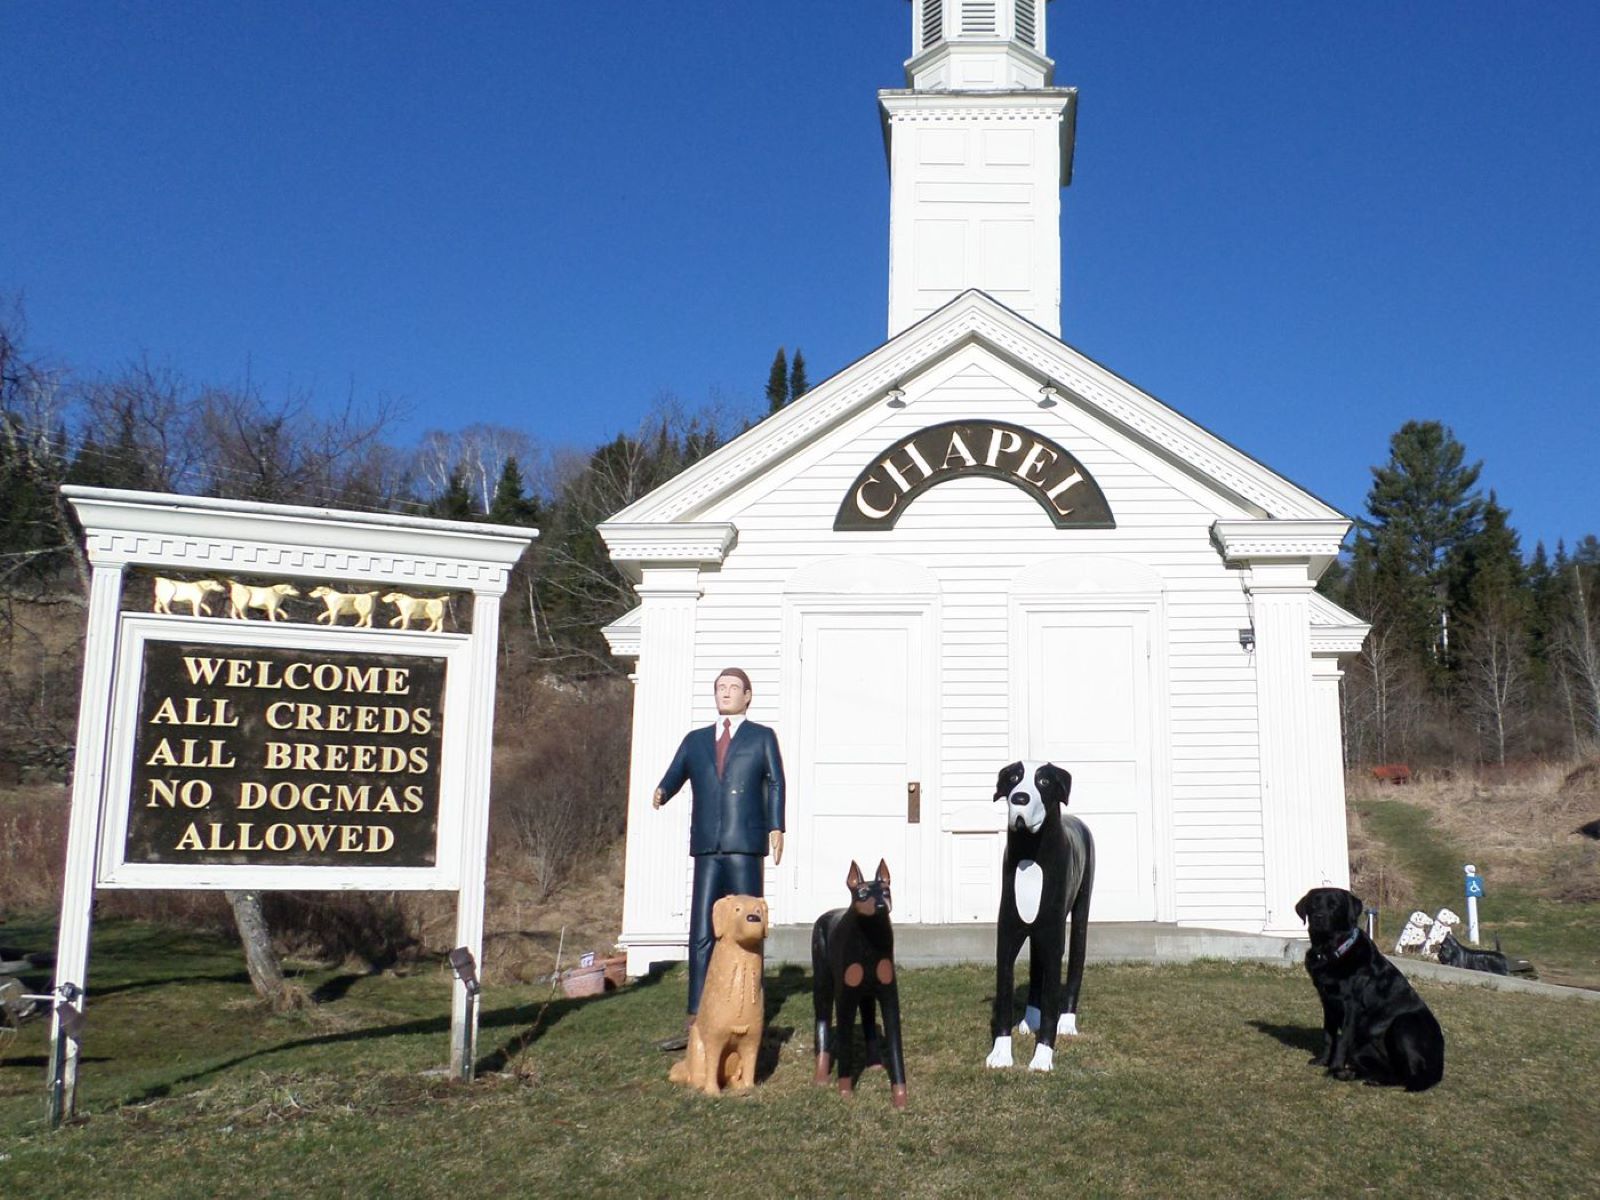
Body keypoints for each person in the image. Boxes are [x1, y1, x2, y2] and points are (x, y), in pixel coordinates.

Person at [654, 667, 785, 1044]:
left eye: (734, 688)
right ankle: (697, 1015)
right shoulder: (695, 740)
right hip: (708, 846)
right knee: (702, 929)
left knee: (748, 928)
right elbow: (677, 772)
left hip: (745, 844)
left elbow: (776, 781)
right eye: (720, 688)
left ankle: (749, 1009)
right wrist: (663, 790)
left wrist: (776, 825)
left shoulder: (762, 737)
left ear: (748, 696)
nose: (726, 693)